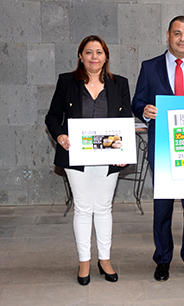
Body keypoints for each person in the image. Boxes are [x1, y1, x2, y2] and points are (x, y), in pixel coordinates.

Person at [131, 16, 184, 281]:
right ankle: (163, 259)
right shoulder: (149, 67)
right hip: (163, 147)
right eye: (177, 33)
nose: (182, 39)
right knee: (163, 206)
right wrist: (144, 111)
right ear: (168, 35)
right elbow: (138, 101)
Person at [45, 35, 132, 286]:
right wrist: (60, 134)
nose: (94, 57)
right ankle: (84, 261)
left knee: (104, 208)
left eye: (99, 52)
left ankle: (104, 259)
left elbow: (125, 120)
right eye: (89, 52)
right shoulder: (66, 82)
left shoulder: (120, 84)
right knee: (83, 208)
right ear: (80, 56)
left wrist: (123, 152)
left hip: (110, 158)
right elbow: (52, 116)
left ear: (106, 57)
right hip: (76, 156)